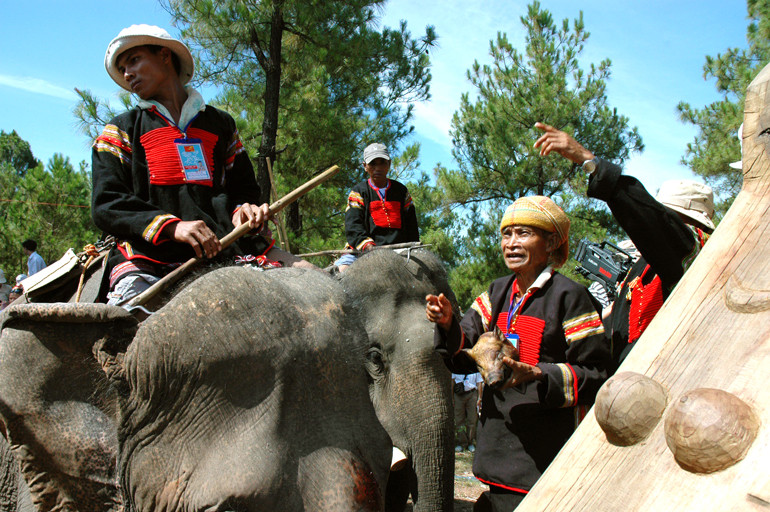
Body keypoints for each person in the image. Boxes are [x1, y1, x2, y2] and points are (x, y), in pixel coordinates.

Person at [92, 25, 312, 306]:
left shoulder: (221, 124)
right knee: (135, 328)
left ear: (164, 56)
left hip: (227, 246)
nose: (127, 74)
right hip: (151, 257)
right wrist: (173, 227)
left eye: (134, 60)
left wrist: (245, 209)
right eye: (122, 67)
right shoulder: (120, 130)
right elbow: (106, 203)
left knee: (312, 278)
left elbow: (244, 189)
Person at [426, 196, 609, 512]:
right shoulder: (497, 293)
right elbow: (462, 351)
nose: (511, 243)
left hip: (544, 461)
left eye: (523, 233)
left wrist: (538, 374)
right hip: (495, 453)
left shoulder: (569, 297)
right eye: (506, 234)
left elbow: (598, 375)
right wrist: (447, 324)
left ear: (551, 241)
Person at [533, 122, 714, 370]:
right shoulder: (648, 265)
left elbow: (655, 223)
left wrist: (590, 162)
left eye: (664, 217)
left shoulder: (691, 250)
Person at [334, 143, 420, 272]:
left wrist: (414, 248)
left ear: (389, 164)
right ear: (365, 166)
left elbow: (412, 226)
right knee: (342, 271)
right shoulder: (358, 192)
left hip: (400, 250)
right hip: (362, 251)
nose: (377, 168)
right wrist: (368, 246)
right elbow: (353, 227)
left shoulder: (401, 191)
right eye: (373, 164)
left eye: (382, 163)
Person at [452, 372, 483, 453]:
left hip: (472, 394)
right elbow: (452, 381)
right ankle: (461, 443)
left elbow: (479, 383)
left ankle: (470, 442)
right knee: (459, 420)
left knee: (472, 420)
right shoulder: (456, 367)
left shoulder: (474, 368)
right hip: (458, 395)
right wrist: (452, 397)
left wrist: (479, 398)